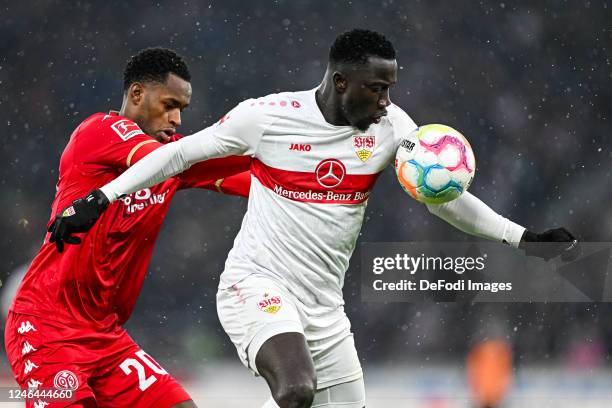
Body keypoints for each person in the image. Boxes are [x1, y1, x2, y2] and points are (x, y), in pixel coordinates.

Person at [49, 30, 578, 408]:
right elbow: (181, 155)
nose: (387, 101)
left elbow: (444, 198)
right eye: (377, 88)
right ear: (340, 82)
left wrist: (523, 238)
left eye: (391, 88)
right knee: (296, 388)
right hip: (255, 284)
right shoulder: (268, 116)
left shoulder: (393, 128)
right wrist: (101, 198)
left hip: (325, 308)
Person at [5, 47, 251, 408]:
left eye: (181, 109)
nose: (177, 119)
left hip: (105, 336)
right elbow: (171, 162)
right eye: (169, 104)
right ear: (137, 94)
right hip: (47, 328)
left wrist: (310, 173)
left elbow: (251, 179)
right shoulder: (99, 131)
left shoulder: (172, 156)